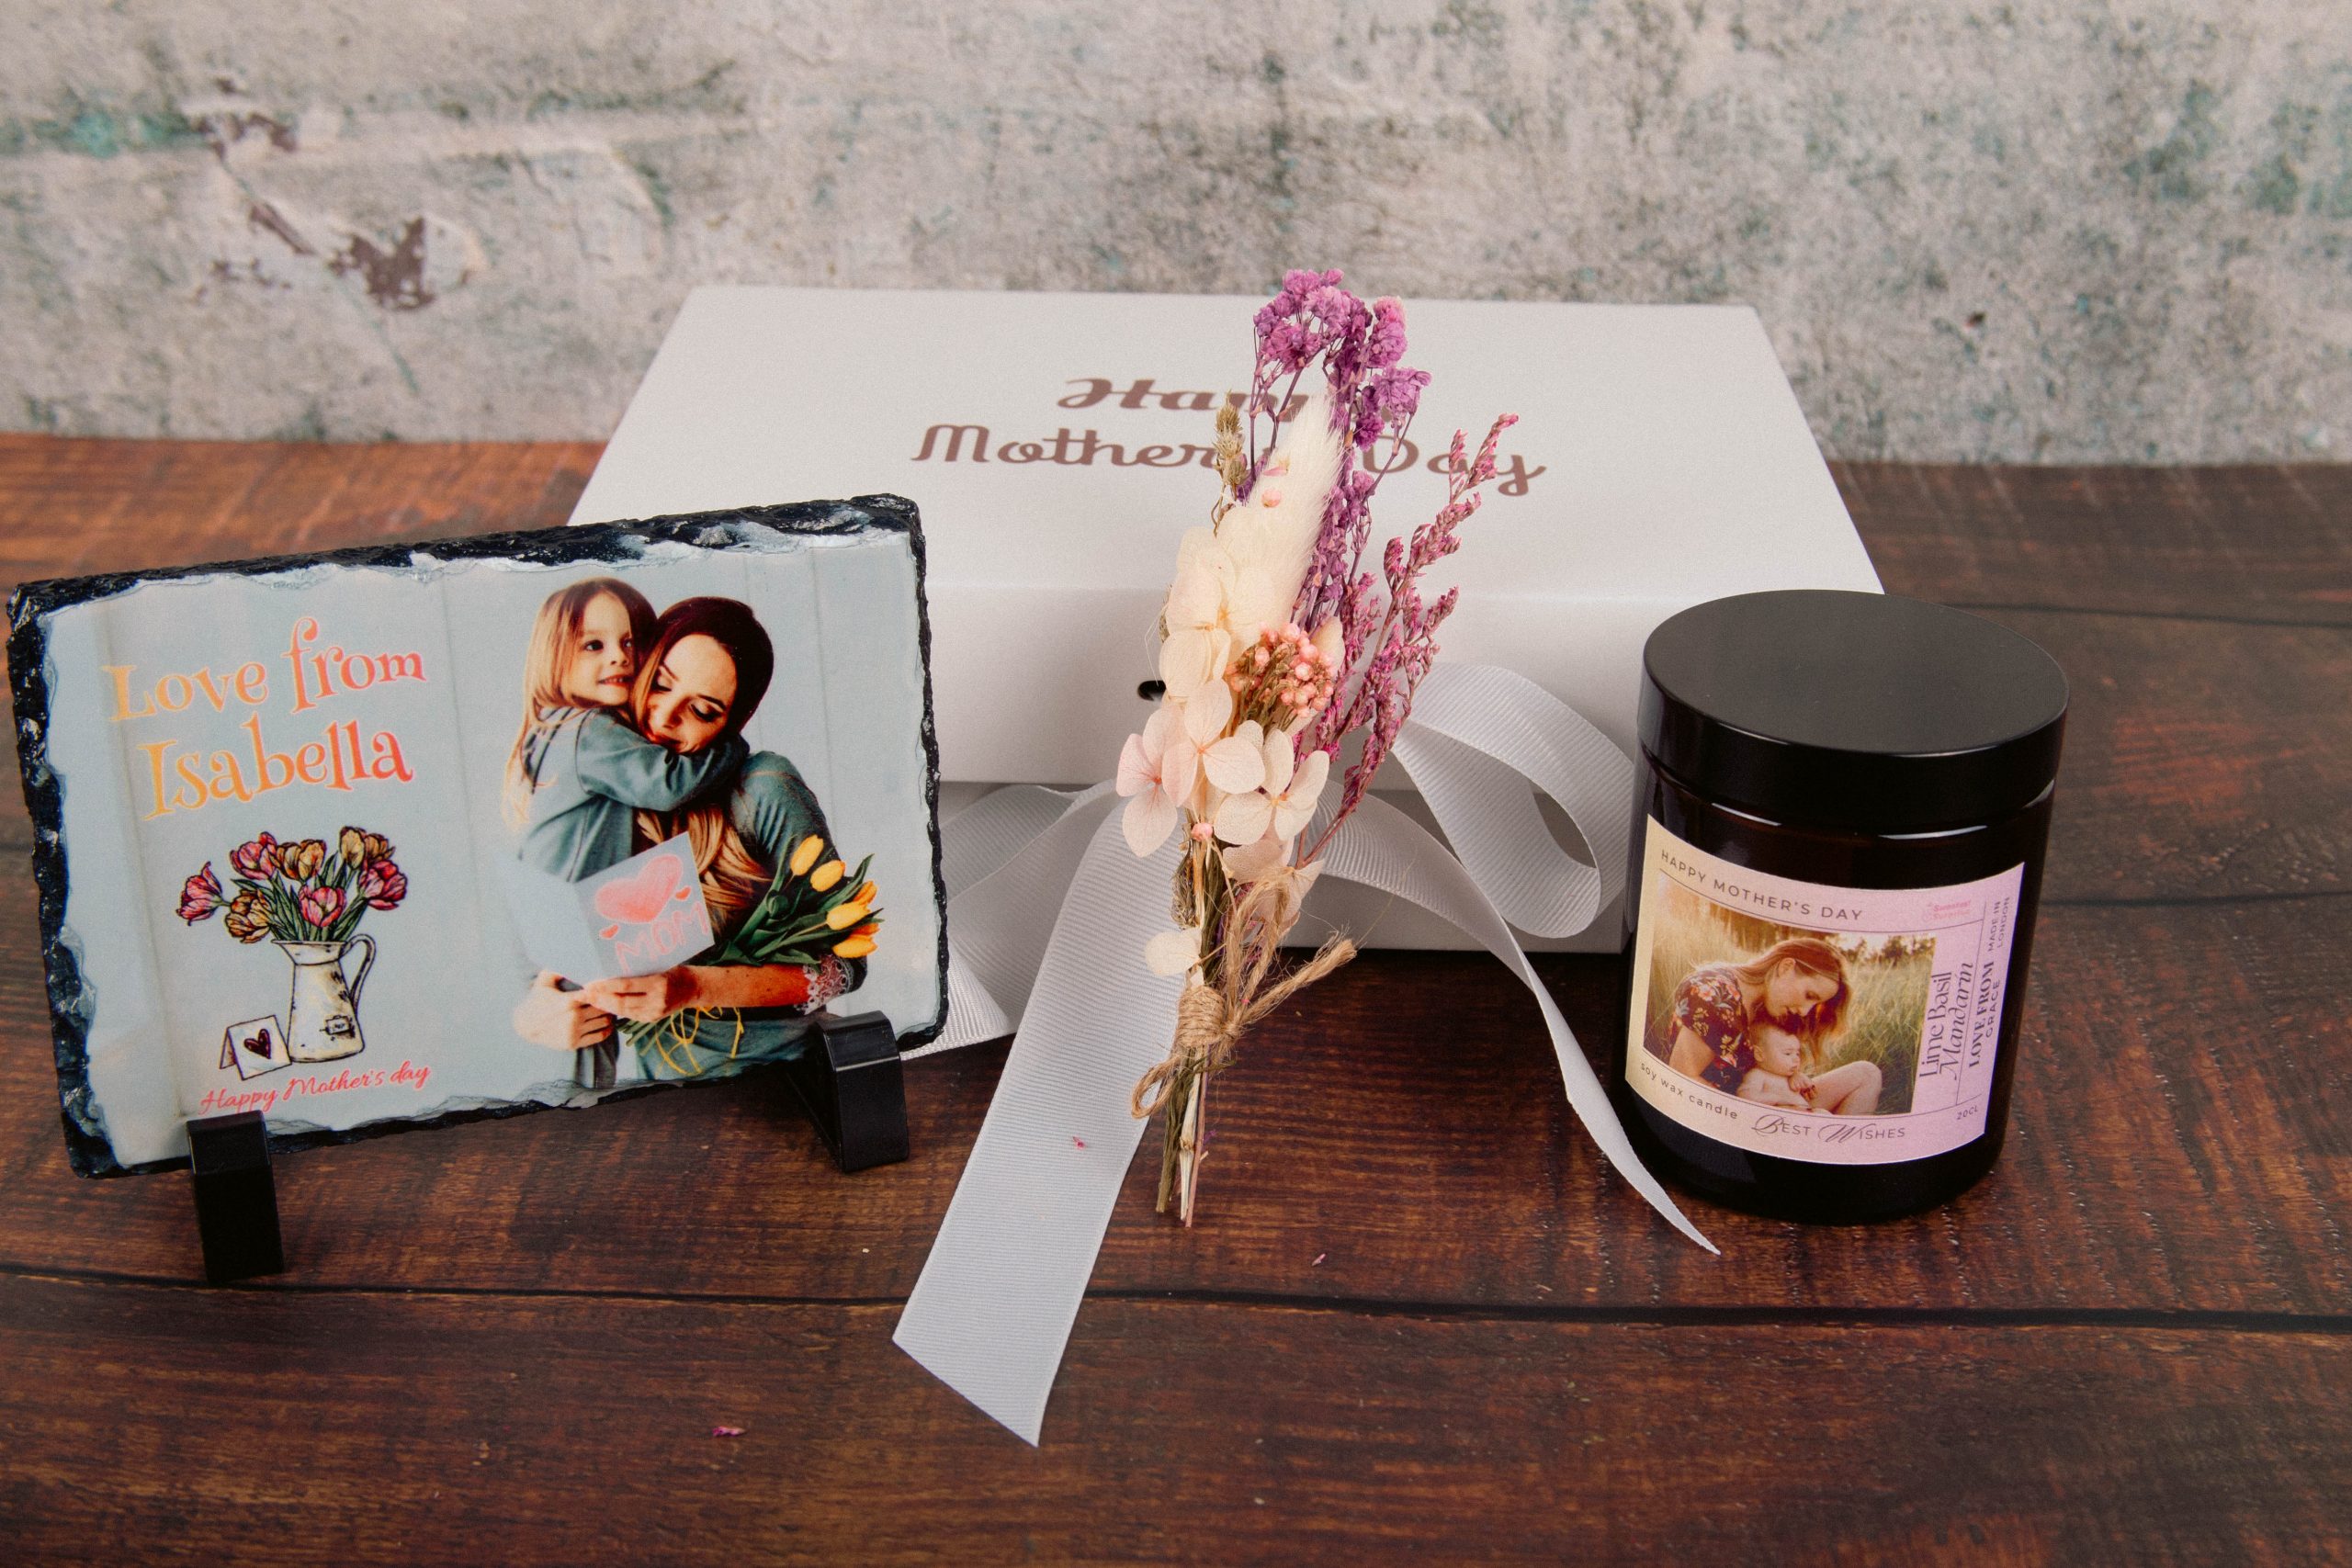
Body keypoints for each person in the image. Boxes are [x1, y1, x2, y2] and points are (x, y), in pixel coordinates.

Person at [512, 597, 864, 1079]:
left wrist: (696, 988)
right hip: (665, 1095)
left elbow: (846, 966)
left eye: (701, 710)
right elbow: (531, 963)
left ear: (731, 724)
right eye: (660, 684)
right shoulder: (589, 790)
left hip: (783, 1074)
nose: (663, 718)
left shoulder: (763, 789)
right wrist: (535, 1018)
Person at [503, 577, 749, 878]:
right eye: (594, 645)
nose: (619, 657)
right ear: (553, 656)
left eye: (629, 642)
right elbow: (668, 784)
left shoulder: (551, 727)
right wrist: (730, 745)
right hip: (580, 897)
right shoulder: (588, 730)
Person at [1654, 936, 1883, 1115]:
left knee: (1867, 1074)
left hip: (1773, 1103)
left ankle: (1834, 1154)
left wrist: (1793, 1078)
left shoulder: (1772, 1008)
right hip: (1729, 1111)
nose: (1805, 1011)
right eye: (1809, 995)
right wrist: (1768, 1110)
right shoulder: (1714, 993)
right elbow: (1683, 1077)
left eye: (1815, 1004)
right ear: (1786, 967)